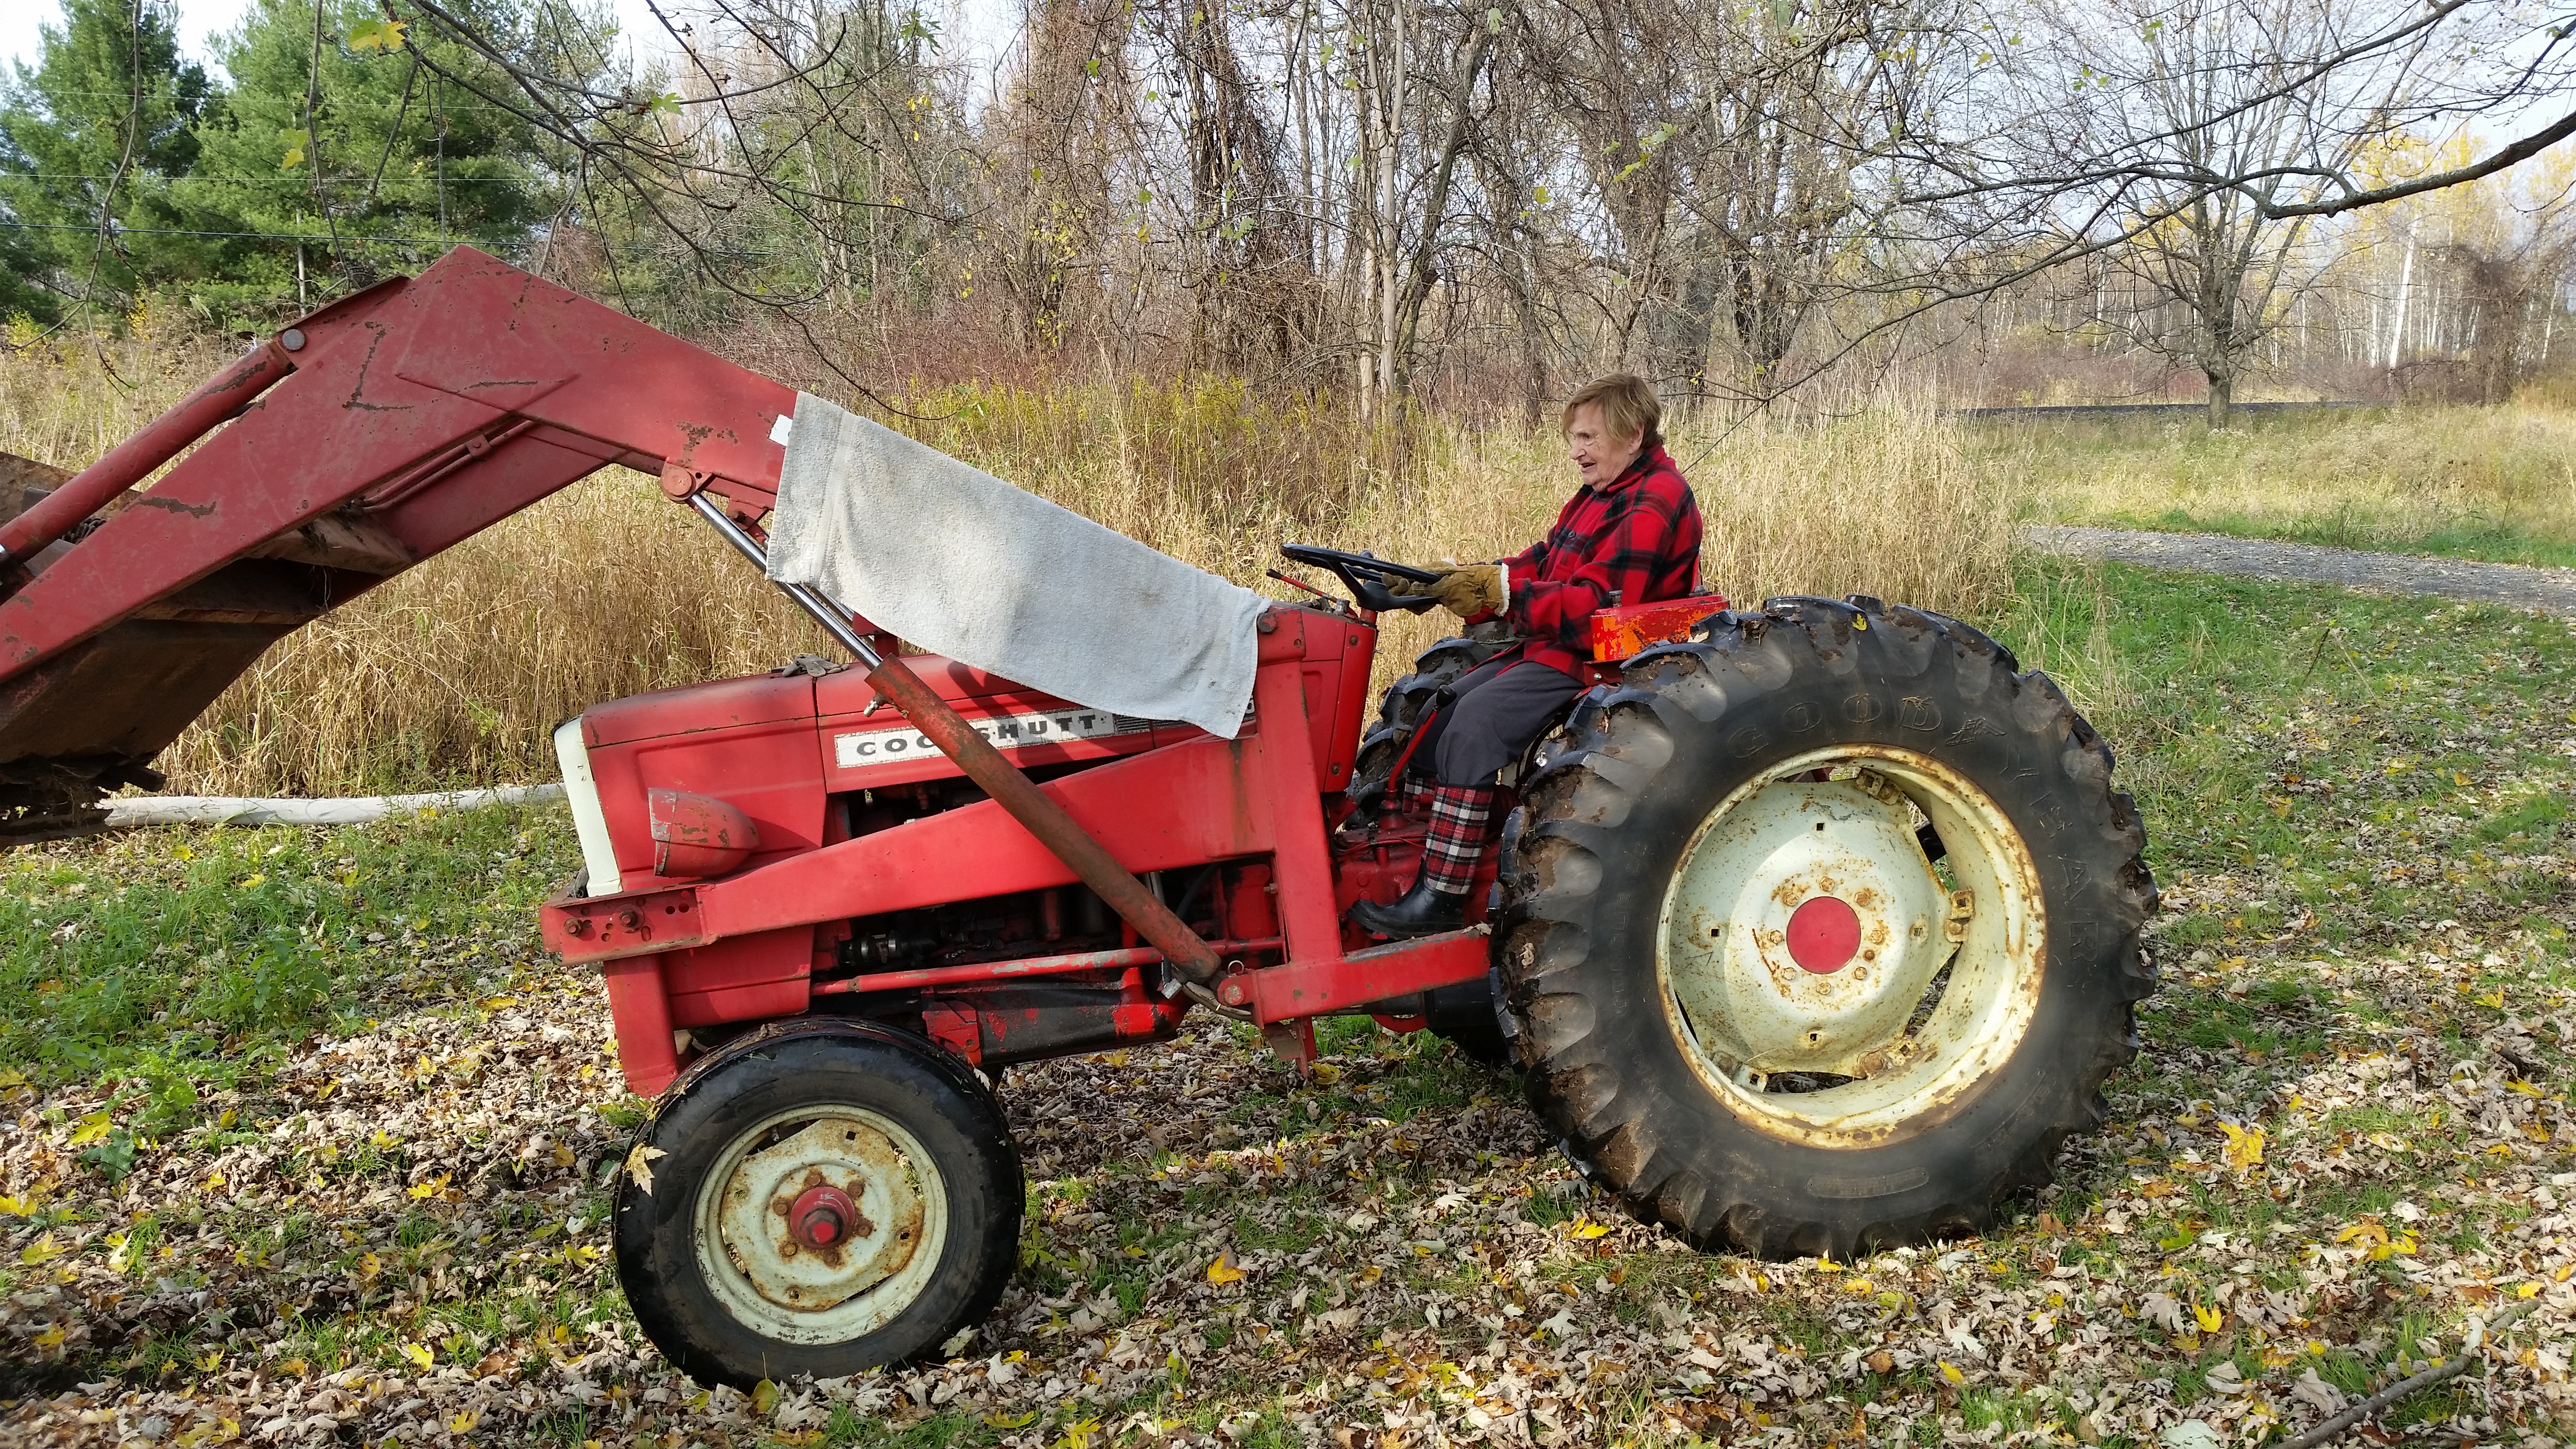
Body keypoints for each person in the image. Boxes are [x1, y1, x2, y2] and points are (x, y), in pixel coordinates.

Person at [1349, 374, 1704, 938]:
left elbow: (1594, 612)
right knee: (1436, 714)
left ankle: (1441, 893)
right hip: (1554, 648)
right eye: (1573, 437)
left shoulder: (1653, 501)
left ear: (1632, 434)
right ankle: (1412, 852)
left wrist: (1503, 595)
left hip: (1603, 664)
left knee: (1475, 727)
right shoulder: (1599, 495)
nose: (1576, 451)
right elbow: (1544, 559)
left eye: (1587, 437)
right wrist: (1456, 579)